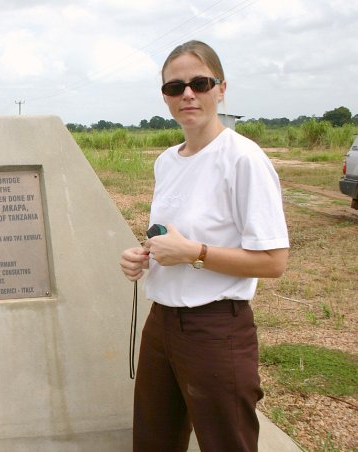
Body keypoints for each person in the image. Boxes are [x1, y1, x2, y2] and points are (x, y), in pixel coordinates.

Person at [119, 40, 290, 452]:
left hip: (216, 329)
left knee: (225, 442)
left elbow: (273, 261)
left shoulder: (242, 159)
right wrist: (143, 257)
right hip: (161, 323)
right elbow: (170, 236)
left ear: (221, 88)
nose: (187, 94)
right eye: (174, 87)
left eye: (199, 82)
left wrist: (195, 254)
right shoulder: (167, 161)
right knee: (153, 440)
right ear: (165, 96)